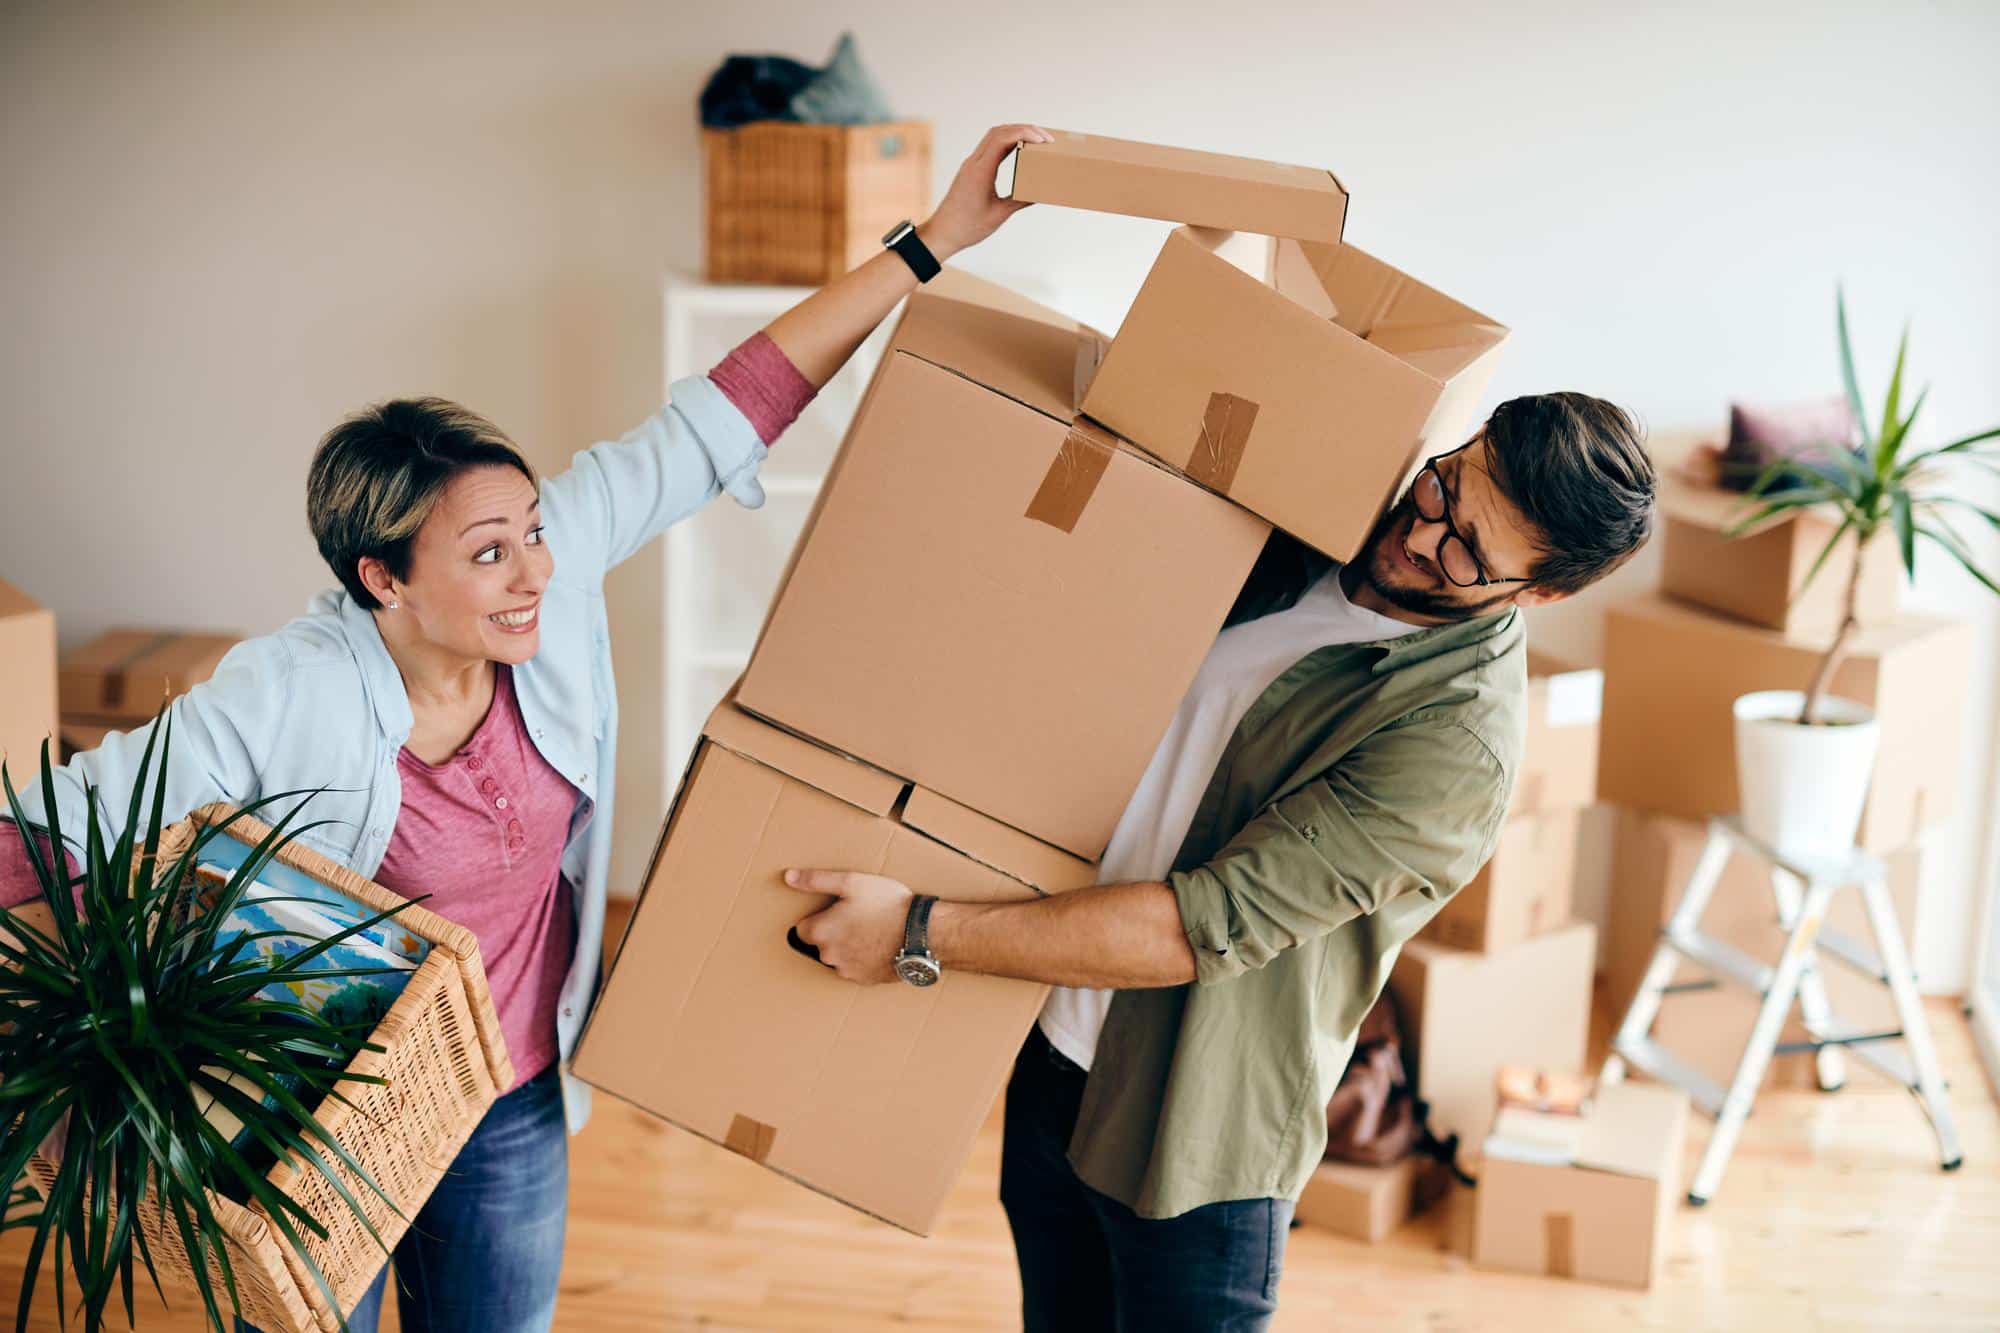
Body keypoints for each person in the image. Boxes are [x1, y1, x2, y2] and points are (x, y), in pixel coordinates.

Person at [0, 123, 1057, 1333]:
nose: (533, 574)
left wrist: (934, 243)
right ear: (380, 579)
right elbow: (54, 828)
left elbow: (730, 410)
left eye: (534, 532)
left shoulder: (547, 589)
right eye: (488, 552)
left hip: (507, 1093)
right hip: (321, 1113)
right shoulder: (281, 693)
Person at [785, 393, 1658, 1331]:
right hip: (1048, 1042)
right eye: (1446, 484)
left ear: (1541, 592)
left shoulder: (1455, 747)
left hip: (1192, 1137)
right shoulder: (1317, 528)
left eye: (1467, 553)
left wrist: (917, 932)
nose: (1420, 533)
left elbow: (1194, 925)